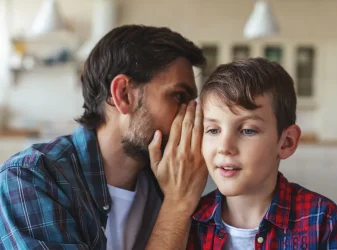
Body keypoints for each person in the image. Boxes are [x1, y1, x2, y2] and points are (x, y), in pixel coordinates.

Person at [0, 25, 209, 250]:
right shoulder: (30, 178)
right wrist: (177, 206)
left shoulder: (171, 179)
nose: (193, 117)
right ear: (123, 95)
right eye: (178, 96)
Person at [187, 58, 337, 249]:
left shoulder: (323, 219)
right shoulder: (188, 221)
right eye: (213, 130)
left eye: (247, 130)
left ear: (286, 142)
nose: (225, 146)